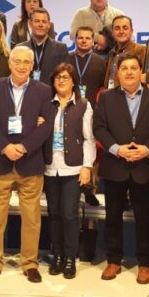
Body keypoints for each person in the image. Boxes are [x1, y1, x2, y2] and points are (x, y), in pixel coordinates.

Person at [0, 46, 54, 283]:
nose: (22, 66)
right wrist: (4, 146)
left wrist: (23, 147)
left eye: (26, 62)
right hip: (0, 161)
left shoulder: (43, 90)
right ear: (9, 63)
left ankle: (30, 263)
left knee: (32, 218)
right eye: (17, 61)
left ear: (32, 66)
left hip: (30, 162)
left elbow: (47, 124)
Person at [93, 53, 149, 284]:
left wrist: (148, 149)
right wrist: (116, 149)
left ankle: (144, 263)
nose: (130, 72)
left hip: (144, 165)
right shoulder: (106, 98)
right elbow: (99, 128)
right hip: (115, 164)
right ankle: (114, 260)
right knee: (112, 216)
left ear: (140, 71)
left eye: (134, 68)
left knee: (145, 218)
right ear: (117, 73)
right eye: (125, 68)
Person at [43, 63, 96, 279]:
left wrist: (87, 167)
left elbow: (89, 138)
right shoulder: (45, 104)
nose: (61, 81)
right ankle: (56, 255)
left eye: (66, 77)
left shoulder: (84, 105)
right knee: (54, 214)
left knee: (70, 215)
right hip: (49, 168)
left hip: (73, 168)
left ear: (74, 81)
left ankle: (69, 258)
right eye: (57, 77)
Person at [19, 8, 69, 84]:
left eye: (44, 22)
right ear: (30, 23)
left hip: (50, 93)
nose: (40, 25)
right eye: (37, 21)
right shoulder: (20, 48)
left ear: (49, 25)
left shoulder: (61, 48)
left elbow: (64, 77)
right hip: (25, 94)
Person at [103, 15, 147, 89]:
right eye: (117, 28)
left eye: (125, 28)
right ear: (112, 32)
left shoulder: (141, 50)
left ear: (132, 31)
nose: (121, 31)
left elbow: (143, 76)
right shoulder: (112, 52)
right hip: (110, 95)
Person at [69, 26, 106, 107]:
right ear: (75, 40)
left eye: (87, 38)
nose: (84, 41)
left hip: (94, 108)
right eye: (80, 38)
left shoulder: (101, 62)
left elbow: (102, 86)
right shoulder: (66, 58)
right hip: (70, 107)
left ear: (93, 41)